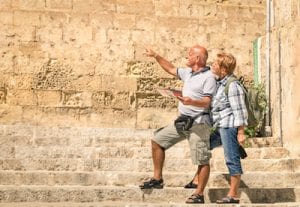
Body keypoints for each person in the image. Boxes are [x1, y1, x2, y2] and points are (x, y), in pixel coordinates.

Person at [139, 45, 217, 204]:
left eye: (189, 55)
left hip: (199, 123)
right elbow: (171, 68)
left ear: (197, 59)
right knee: (157, 140)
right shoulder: (188, 73)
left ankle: (199, 193)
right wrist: (156, 55)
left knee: (202, 159)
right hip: (183, 121)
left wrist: (191, 101)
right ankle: (157, 178)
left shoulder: (209, 77)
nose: (187, 56)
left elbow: (207, 102)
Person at [211, 53, 247, 204]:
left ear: (224, 69)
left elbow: (239, 110)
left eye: (215, 64)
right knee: (203, 146)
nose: (212, 65)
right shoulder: (220, 83)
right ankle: (196, 180)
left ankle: (233, 194)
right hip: (219, 126)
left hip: (229, 126)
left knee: (232, 158)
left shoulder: (232, 85)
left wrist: (240, 132)